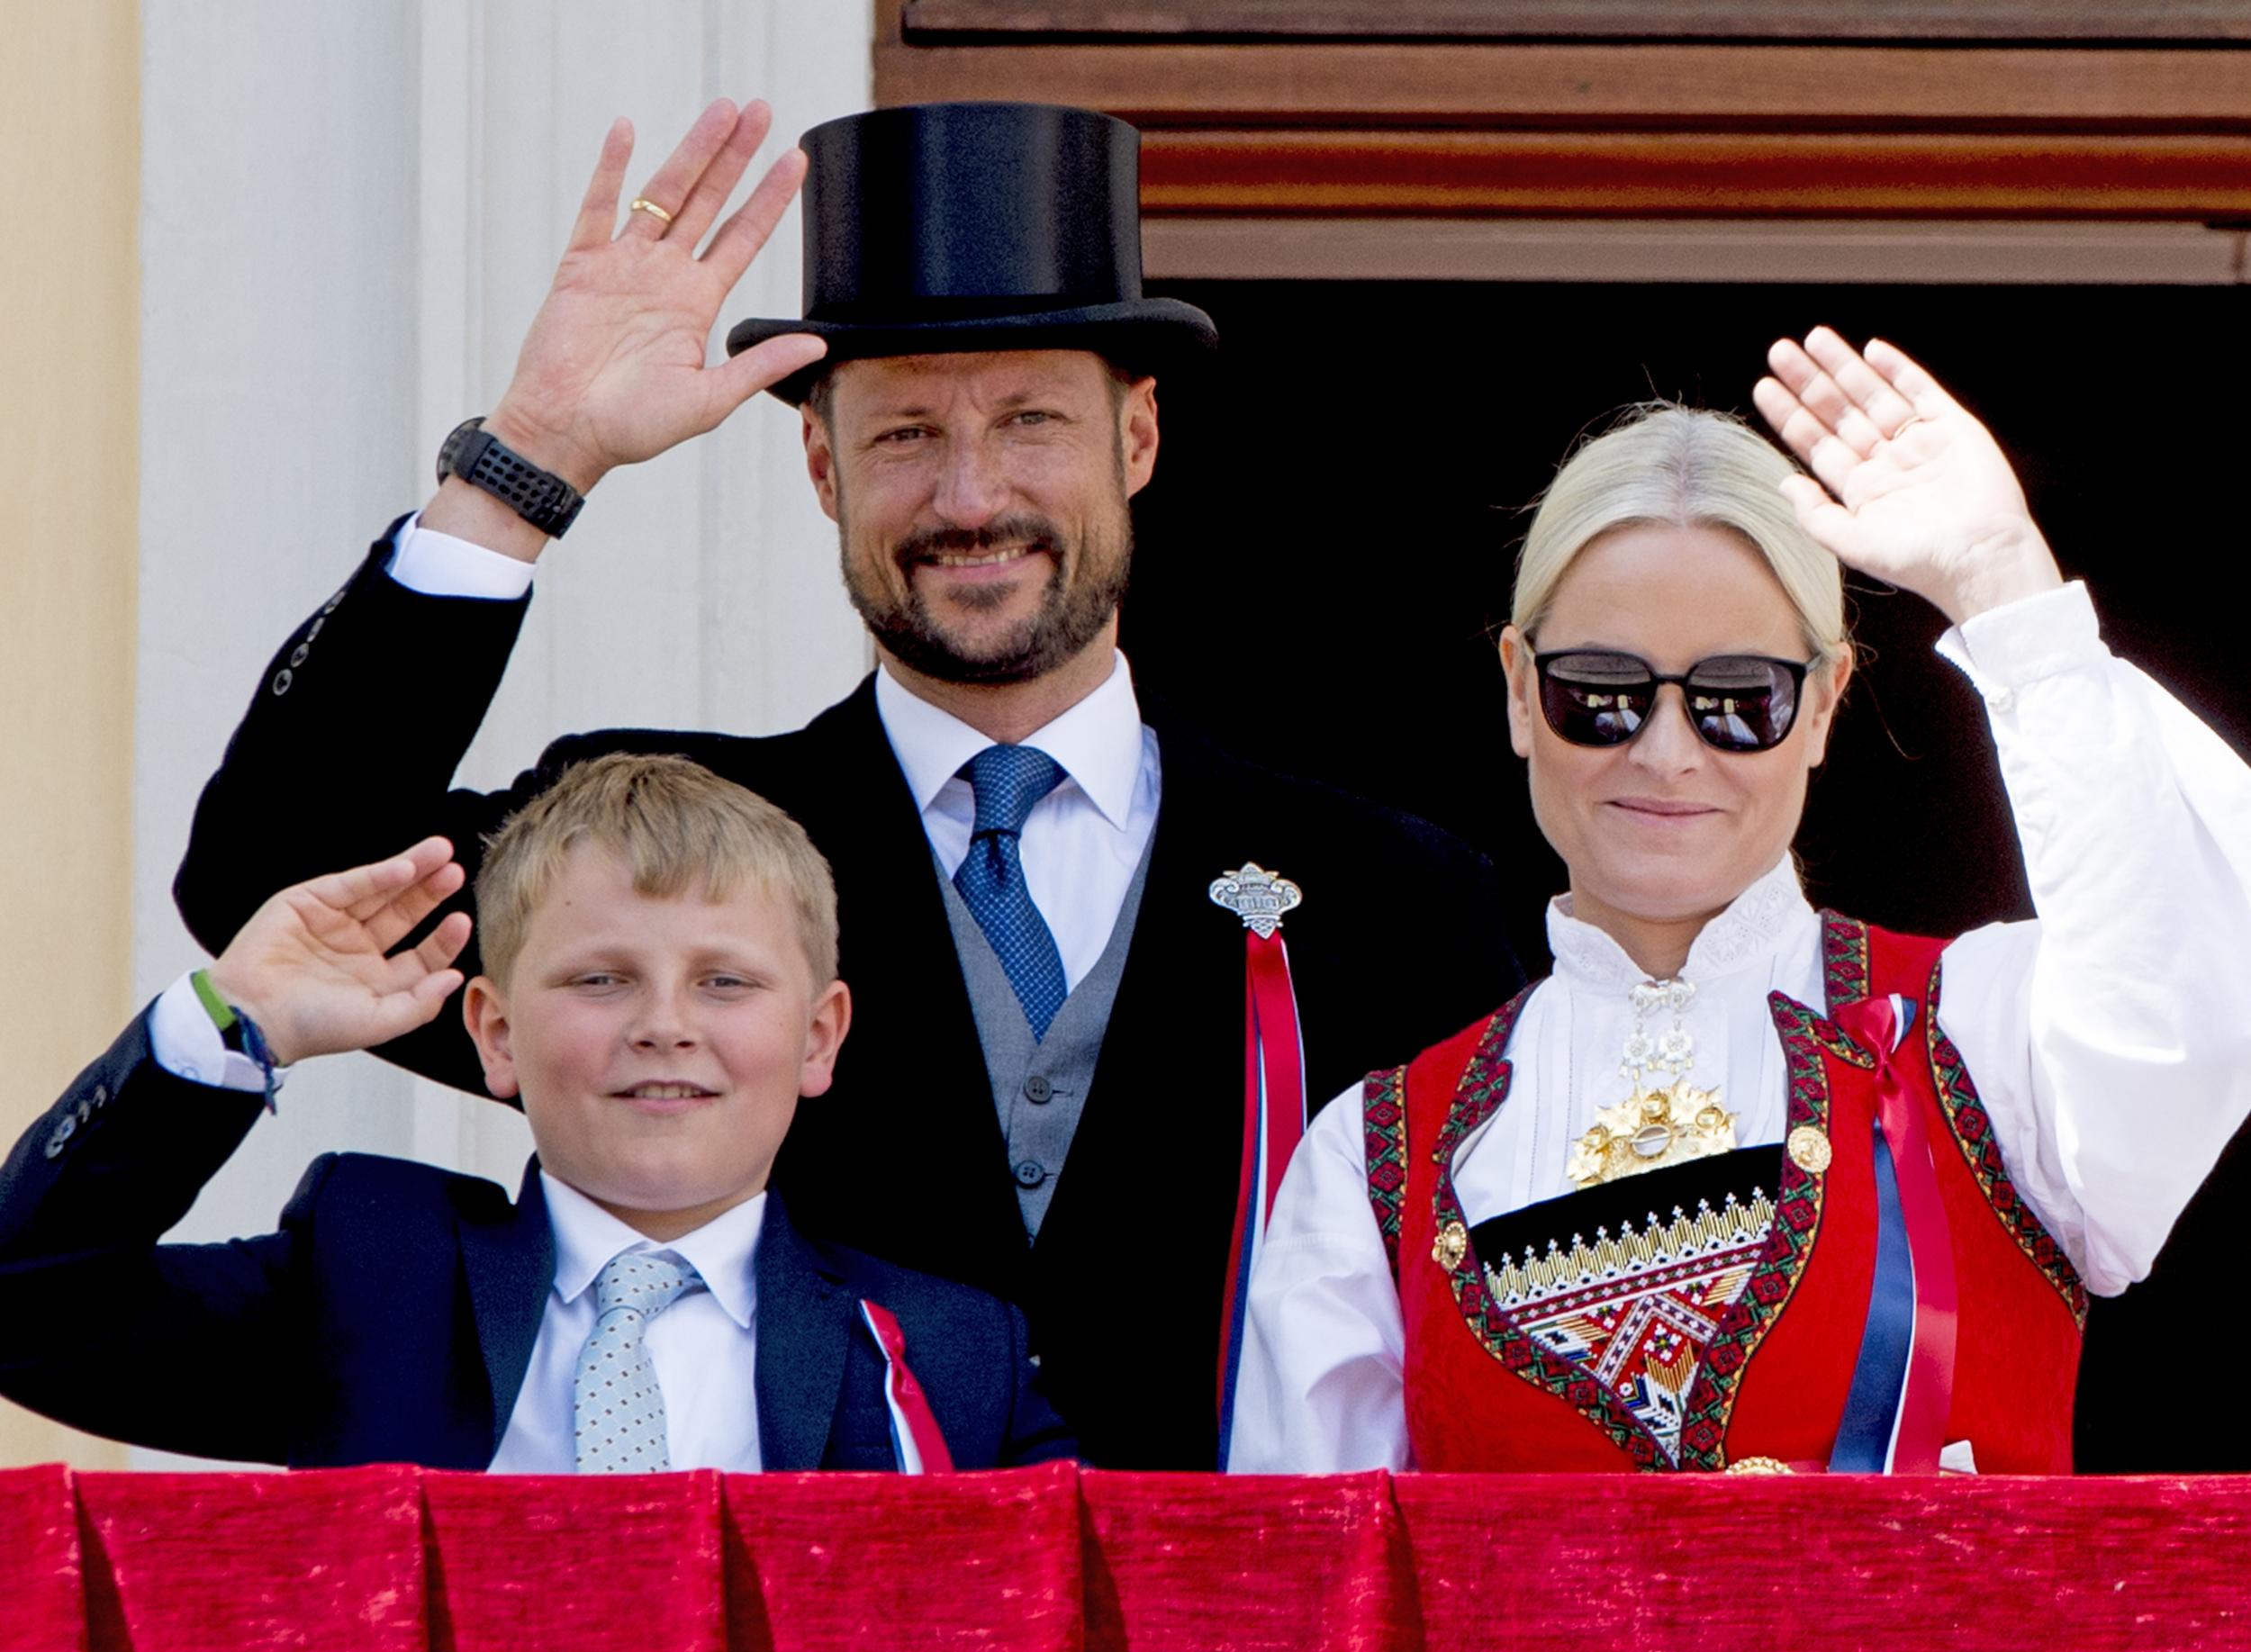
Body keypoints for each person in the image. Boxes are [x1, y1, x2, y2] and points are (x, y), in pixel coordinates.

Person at [169, 99, 1519, 1471]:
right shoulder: (661, 862)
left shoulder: (1400, 899)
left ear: (1140, 439)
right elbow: (279, 878)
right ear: (819, 465)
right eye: (903, 436)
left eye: (1033, 420)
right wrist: (531, 458)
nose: (970, 493)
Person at [1228, 330, 2251, 1475]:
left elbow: (2194, 1007)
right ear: (1520, 692)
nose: (1666, 752)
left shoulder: (1984, 1036)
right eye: (1600, 696)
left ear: (1823, 707)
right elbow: (1310, 1611)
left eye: (1738, 698)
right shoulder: (1372, 1160)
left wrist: (2006, 590)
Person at [2, 754, 1069, 1472]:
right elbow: (26, 1312)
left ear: (820, 1037)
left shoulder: (947, 1352)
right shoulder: (373, 1272)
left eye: (725, 983)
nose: (663, 1025)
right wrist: (237, 1025)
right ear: (495, 1033)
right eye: (599, 980)